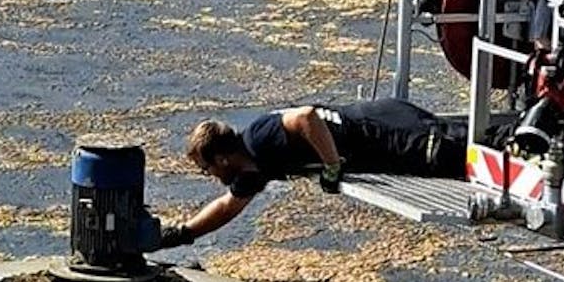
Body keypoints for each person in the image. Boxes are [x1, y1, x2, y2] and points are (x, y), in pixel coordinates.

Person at [156, 98, 468, 248]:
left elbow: (306, 117)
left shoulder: (261, 138)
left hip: (388, 132)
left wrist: (332, 166)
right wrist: (184, 234)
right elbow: (227, 206)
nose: (207, 174)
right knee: (459, 159)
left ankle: (513, 138)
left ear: (222, 159)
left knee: (460, 153)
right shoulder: (253, 166)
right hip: (383, 147)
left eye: (205, 167)